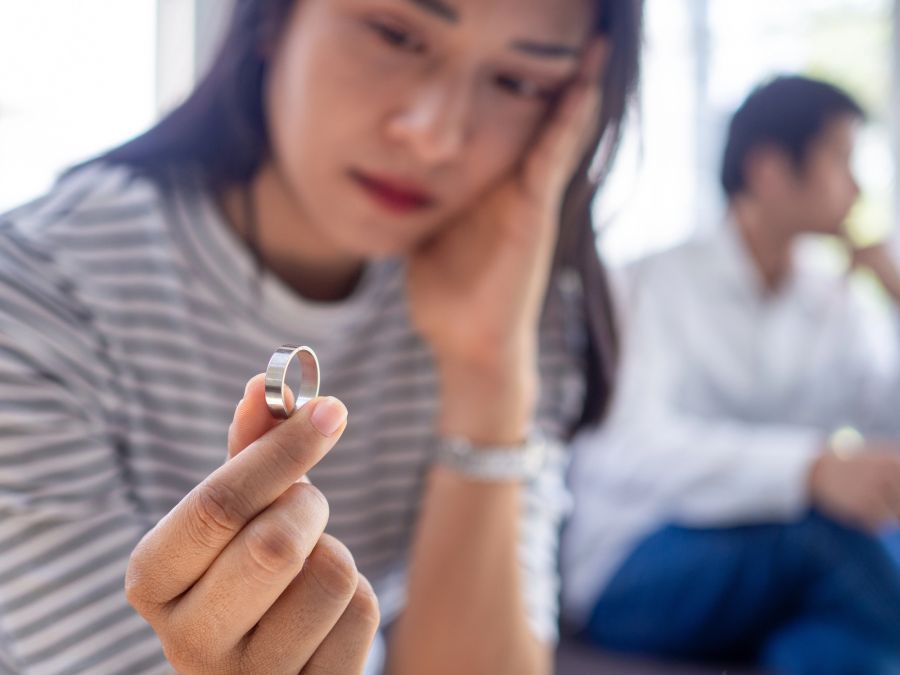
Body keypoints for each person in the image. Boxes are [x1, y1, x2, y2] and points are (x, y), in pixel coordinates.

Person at [0, 0, 643, 673]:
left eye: (518, 82)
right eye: (395, 34)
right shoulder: (36, 290)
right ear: (274, 18)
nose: (435, 133)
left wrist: (485, 372)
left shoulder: (514, 294)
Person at [562, 75, 900, 674]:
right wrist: (812, 470)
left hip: (774, 557)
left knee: (842, 632)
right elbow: (628, 448)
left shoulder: (836, 300)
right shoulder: (649, 285)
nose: (857, 187)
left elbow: (886, 419)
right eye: (841, 160)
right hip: (636, 561)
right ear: (770, 169)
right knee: (833, 544)